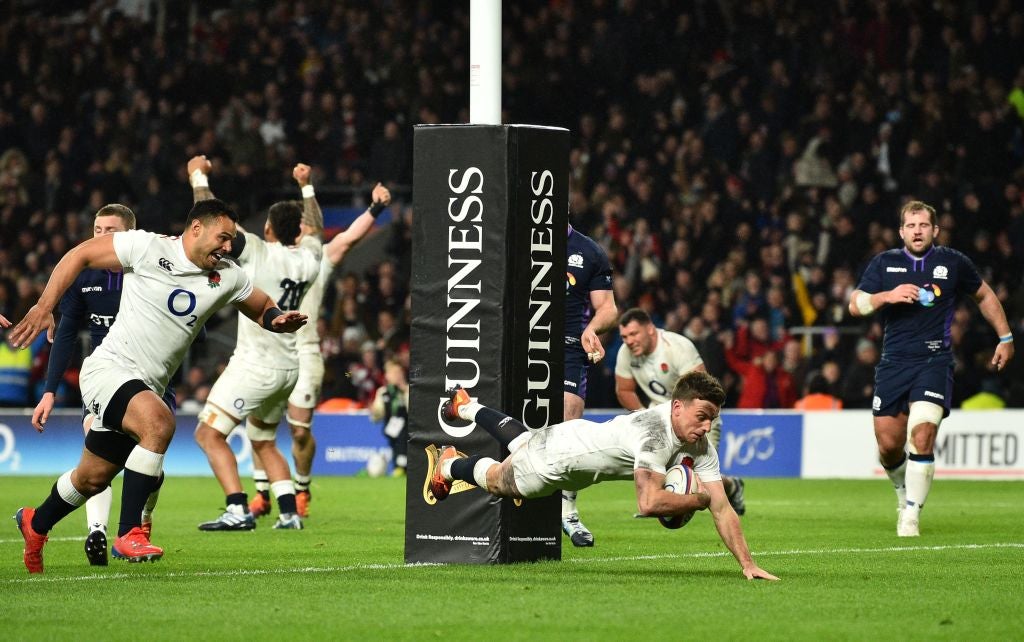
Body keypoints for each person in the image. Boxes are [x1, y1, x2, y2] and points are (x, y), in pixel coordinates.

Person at [8, 197, 306, 573]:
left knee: (92, 477)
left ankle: (35, 523)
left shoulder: (228, 275)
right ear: (196, 228)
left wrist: (277, 320)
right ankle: (130, 532)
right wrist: (44, 304)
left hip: (145, 383)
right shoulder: (147, 246)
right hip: (108, 369)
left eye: (231, 240)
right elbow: (80, 255)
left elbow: (261, 304)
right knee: (159, 422)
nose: (228, 246)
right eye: (223, 237)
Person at [430, 372, 778, 581]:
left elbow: (723, 508)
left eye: (712, 420)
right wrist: (697, 499)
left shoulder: (699, 445)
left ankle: (465, 405)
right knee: (498, 481)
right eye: (702, 416)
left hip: (574, 442)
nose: (706, 427)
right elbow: (649, 502)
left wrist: (748, 564)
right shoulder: (655, 435)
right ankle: (448, 465)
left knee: (523, 441)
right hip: (559, 461)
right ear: (677, 406)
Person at [848, 200, 1014, 537]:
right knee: (888, 445)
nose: (917, 231)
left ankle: (910, 515)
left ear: (935, 230)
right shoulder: (885, 263)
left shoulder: (953, 263)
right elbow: (855, 305)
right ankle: (902, 493)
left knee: (921, 436)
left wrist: (1005, 336)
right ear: (901, 232)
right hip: (894, 364)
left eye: (923, 225)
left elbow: (983, 296)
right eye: (911, 226)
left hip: (934, 362)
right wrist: (887, 296)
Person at [31, 204, 179, 566]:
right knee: (103, 447)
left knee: (137, 465)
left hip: (152, 380)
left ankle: (138, 523)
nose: (100, 238)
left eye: (109, 230)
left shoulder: (151, 272)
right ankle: (99, 530)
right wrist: (49, 389)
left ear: (130, 235)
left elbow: (194, 325)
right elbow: (65, 333)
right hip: (105, 378)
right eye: (96, 230)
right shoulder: (83, 278)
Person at [247, 165, 391, 519]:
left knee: (298, 431)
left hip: (305, 351)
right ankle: (261, 492)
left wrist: (374, 209)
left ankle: (301, 487)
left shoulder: (316, 258)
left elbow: (348, 239)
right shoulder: (262, 257)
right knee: (258, 425)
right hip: (265, 351)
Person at [186, 156, 321, 531]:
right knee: (263, 441)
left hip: (256, 364)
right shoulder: (310, 259)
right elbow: (316, 229)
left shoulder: (260, 251)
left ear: (267, 228)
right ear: (299, 231)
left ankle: (237, 508)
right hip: (289, 368)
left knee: (207, 433)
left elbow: (214, 223)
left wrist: (198, 176)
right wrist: (307, 186)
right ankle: (290, 513)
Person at [614, 307, 747, 515]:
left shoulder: (677, 347)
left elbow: (702, 390)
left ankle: (732, 487)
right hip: (659, 420)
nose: (629, 341)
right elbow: (624, 390)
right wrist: (643, 415)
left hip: (694, 418)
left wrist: (685, 418)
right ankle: (654, 503)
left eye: (633, 334)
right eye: (624, 336)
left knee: (699, 475)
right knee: (654, 466)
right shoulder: (625, 353)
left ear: (650, 329)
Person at [561, 223, 618, 547]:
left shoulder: (588, 251)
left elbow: (608, 308)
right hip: (524, 345)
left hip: (570, 346)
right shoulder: (520, 241)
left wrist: (592, 329)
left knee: (570, 422)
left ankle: (567, 511)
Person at [369, 358, 409, 476]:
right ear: (387, 375)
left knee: (403, 440)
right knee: (396, 444)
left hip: (408, 428)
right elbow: (377, 416)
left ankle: (401, 467)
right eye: (393, 373)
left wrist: (405, 391)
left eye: (398, 373)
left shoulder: (409, 390)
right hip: (390, 427)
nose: (396, 376)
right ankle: (399, 467)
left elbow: (413, 411)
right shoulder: (383, 392)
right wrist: (374, 411)